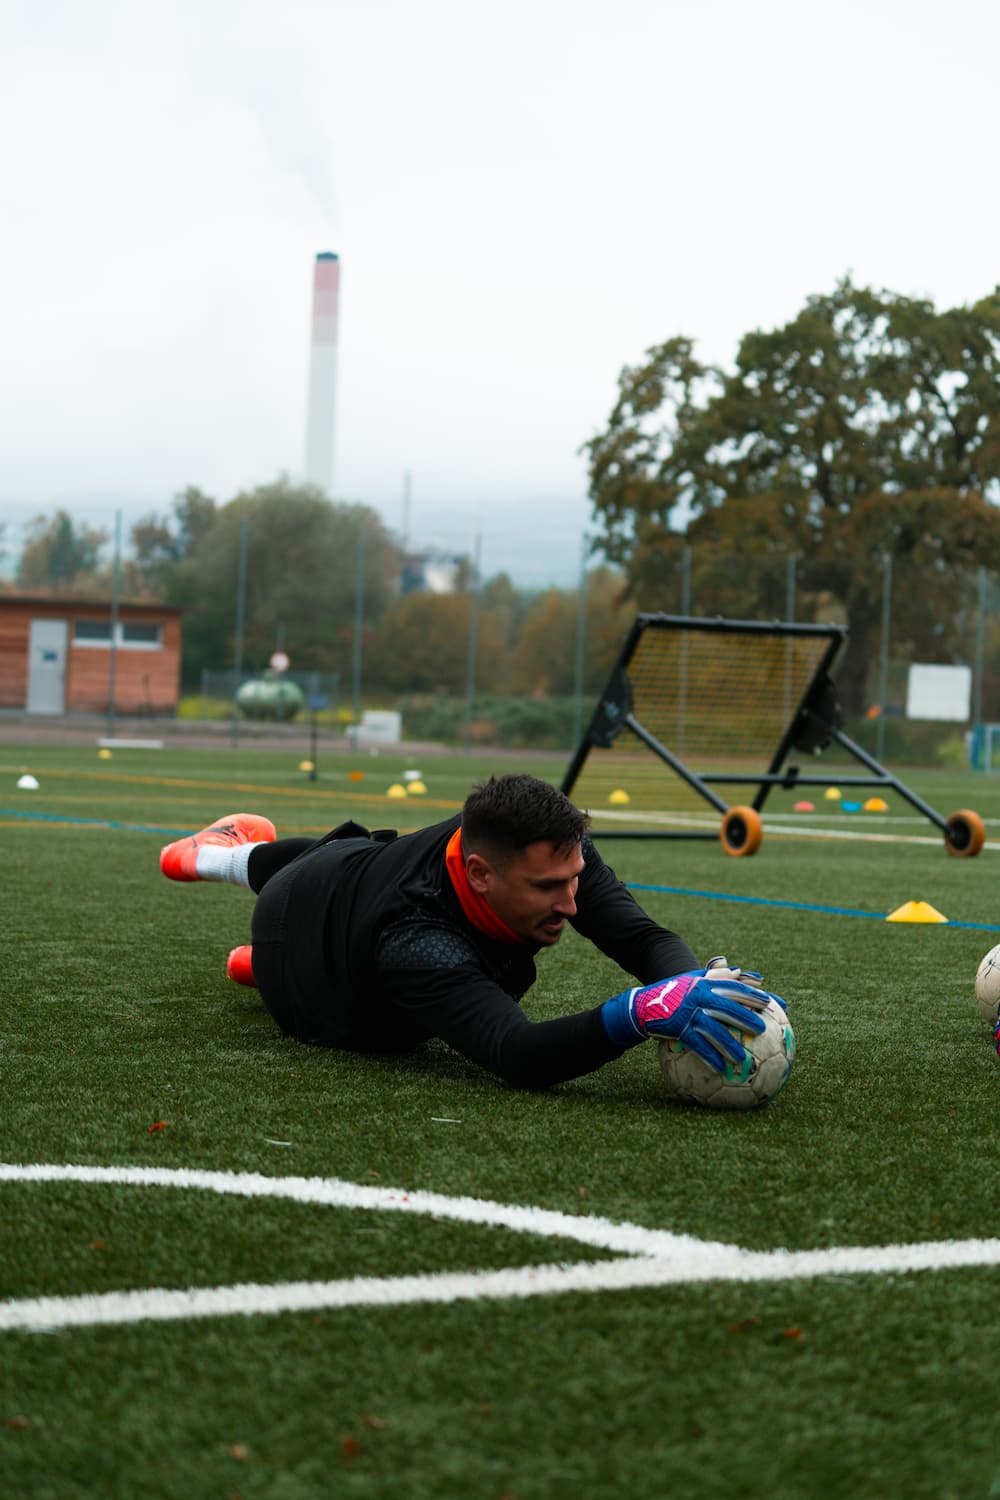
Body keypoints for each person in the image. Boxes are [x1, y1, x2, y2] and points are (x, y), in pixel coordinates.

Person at [159, 773, 783, 1090]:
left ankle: (260, 962)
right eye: (548, 888)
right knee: (335, 859)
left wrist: (693, 984)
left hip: (343, 931)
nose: (572, 901)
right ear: (479, 874)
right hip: (308, 953)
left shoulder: (552, 855)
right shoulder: (417, 939)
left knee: (362, 858)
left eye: (575, 876)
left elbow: (642, 937)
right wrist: (634, 1014)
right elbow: (517, 1053)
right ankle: (214, 859)